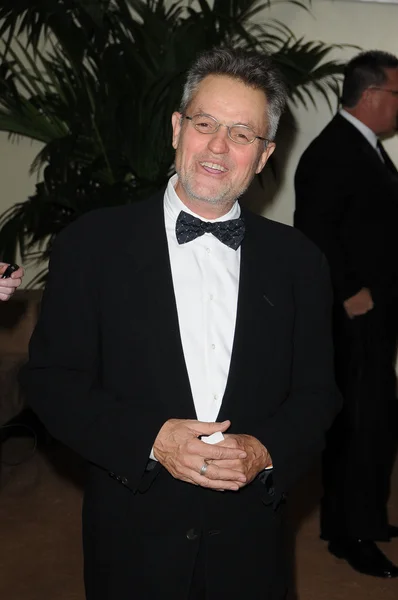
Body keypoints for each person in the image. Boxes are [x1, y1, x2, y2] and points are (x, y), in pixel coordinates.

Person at [20, 47, 340, 600]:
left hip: (251, 544)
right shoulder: (91, 245)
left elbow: (318, 395)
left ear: (264, 156)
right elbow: (52, 381)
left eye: (242, 134)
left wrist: (264, 449)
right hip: (132, 539)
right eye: (205, 124)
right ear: (177, 128)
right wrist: (153, 439)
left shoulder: (299, 260)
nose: (218, 147)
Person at [294, 50, 398, 578]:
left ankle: (369, 517)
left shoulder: (367, 148)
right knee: (356, 427)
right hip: (354, 316)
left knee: (378, 420)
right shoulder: (332, 150)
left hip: (376, 316)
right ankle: (348, 534)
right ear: (374, 95)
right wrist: (347, 291)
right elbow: (313, 231)